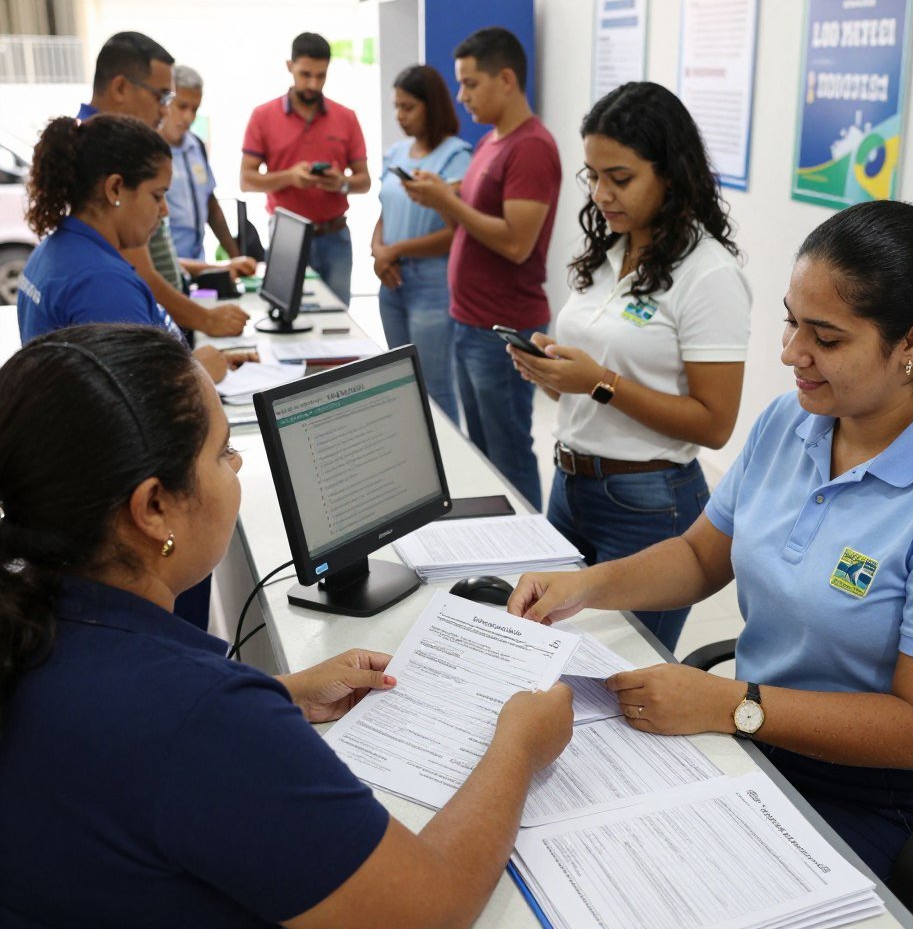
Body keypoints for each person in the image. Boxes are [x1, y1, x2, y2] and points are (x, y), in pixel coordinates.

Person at [509, 199, 913, 914]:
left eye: (826, 338)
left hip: (892, 800)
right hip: (759, 744)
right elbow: (699, 558)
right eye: (790, 321)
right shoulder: (795, 421)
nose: (790, 354)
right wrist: (584, 586)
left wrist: (732, 704)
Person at [0, 323, 573, 928]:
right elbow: (430, 908)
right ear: (154, 508)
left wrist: (282, 694)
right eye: (223, 451)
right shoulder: (200, 720)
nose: (238, 461)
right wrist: (519, 746)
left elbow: (117, 740)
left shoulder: (32, 621)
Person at [507, 82, 751, 652]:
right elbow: (590, 388)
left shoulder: (709, 274)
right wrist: (554, 376)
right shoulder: (607, 252)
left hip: (650, 504)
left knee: (615, 675)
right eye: (592, 176)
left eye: (620, 178)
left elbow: (715, 424)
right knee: (546, 654)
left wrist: (597, 382)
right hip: (570, 485)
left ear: (671, 174)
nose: (601, 194)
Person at [16, 114, 256, 633]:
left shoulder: (61, 253)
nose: (165, 211)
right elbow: (136, 407)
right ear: (116, 189)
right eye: (158, 195)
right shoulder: (100, 282)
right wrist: (198, 371)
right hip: (135, 530)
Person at [405, 27, 562, 509]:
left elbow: (516, 243)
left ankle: (531, 561)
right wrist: (446, 190)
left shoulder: (531, 147)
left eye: (471, 83)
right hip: (472, 322)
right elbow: (484, 204)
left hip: (503, 327)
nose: (460, 95)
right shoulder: (493, 141)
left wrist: (445, 203)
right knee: (486, 453)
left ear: (507, 79)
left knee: (509, 454)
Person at [79, 31, 249, 338]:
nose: (165, 110)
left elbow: (150, 257)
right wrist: (209, 321)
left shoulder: (112, 143)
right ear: (120, 87)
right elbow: (139, 269)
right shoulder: (98, 152)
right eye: (161, 97)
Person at [372, 64, 472, 424]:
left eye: (408, 107)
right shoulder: (396, 153)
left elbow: (455, 234)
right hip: (391, 280)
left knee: (435, 388)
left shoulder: (456, 156)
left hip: (432, 283)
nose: (400, 116)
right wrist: (378, 249)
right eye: (396, 106)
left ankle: (451, 469)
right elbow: (384, 209)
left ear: (432, 106)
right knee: (400, 385)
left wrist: (395, 250)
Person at [241, 32, 370, 306]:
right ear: (290, 67)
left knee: (338, 319)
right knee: (287, 313)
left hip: (335, 237)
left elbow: (364, 181)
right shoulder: (263, 116)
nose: (313, 83)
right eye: (305, 74)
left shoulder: (346, 117)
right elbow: (247, 180)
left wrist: (341, 183)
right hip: (287, 236)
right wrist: (290, 177)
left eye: (321, 76)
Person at [160, 64, 256, 282]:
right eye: (182, 106)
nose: (188, 116)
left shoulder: (196, 146)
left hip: (198, 265)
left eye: (194, 109)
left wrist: (235, 256)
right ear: (167, 102)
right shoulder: (150, 150)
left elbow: (210, 206)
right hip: (166, 268)